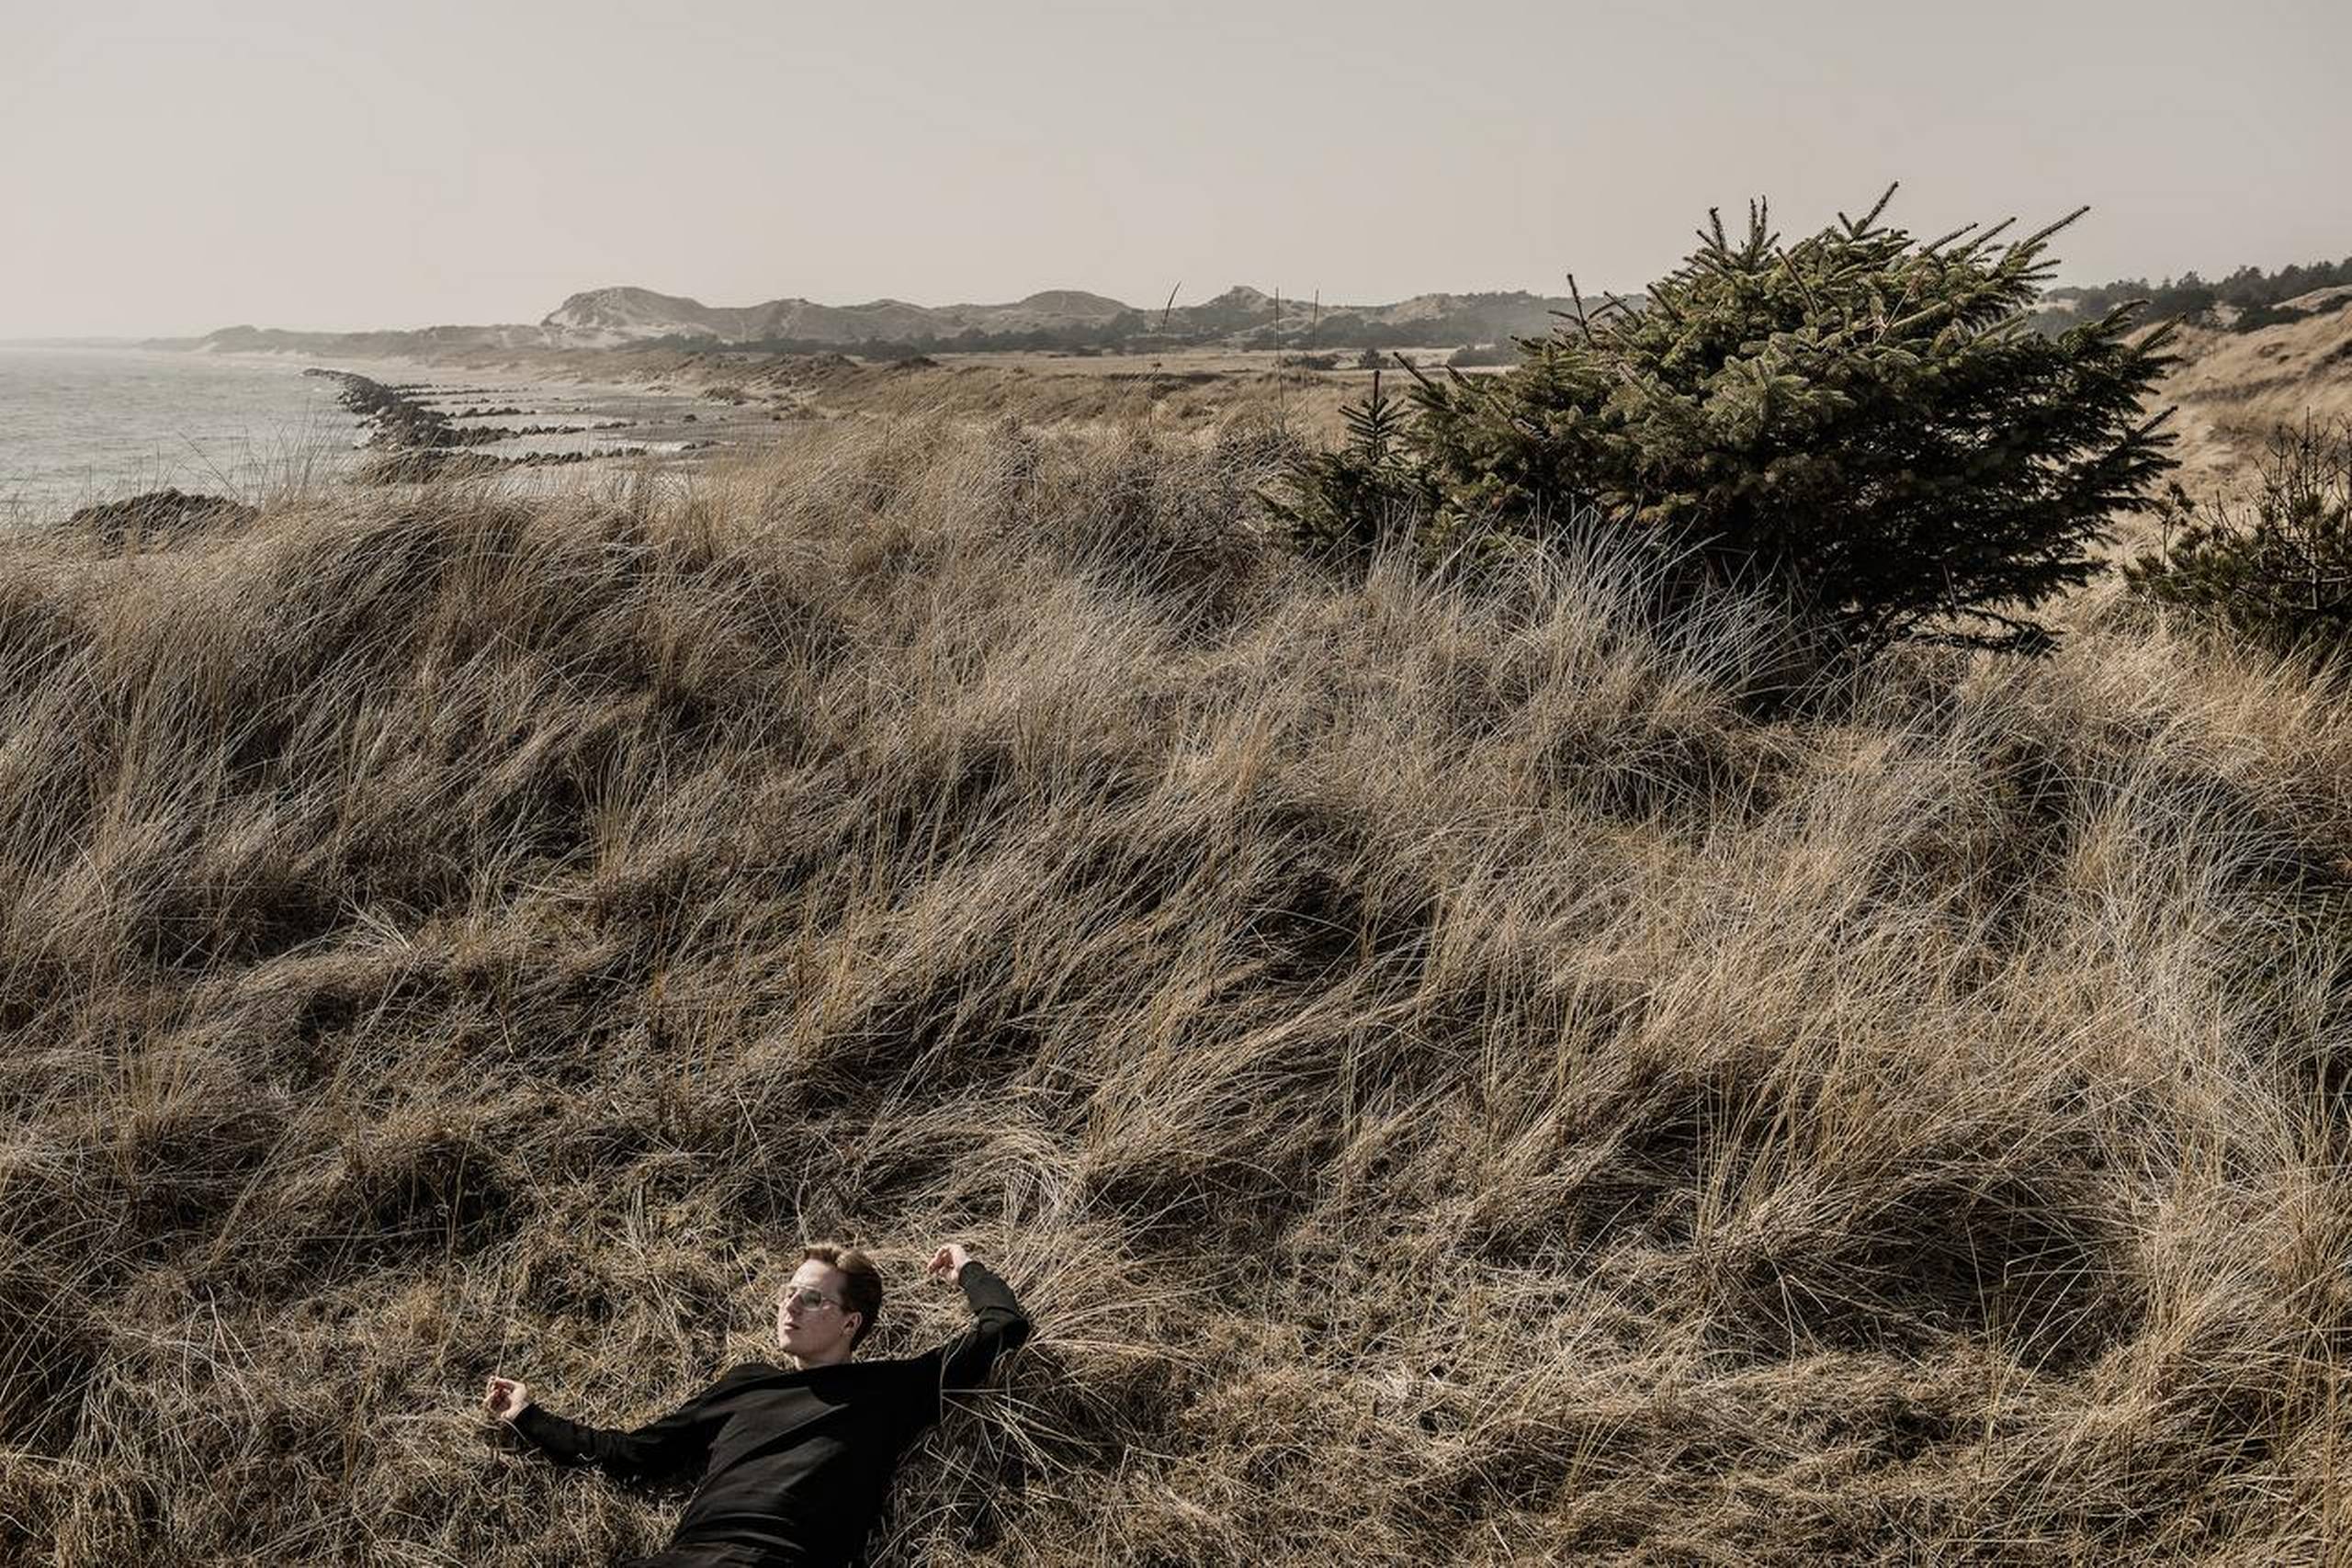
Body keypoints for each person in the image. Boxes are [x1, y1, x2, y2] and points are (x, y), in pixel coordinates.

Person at [484, 1240, 1032, 1568]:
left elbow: (1001, 1327)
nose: (790, 1304)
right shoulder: (746, 1384)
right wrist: (530, 1417)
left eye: (812, 1297)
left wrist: (966, 1268)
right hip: (685, 1557)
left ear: (850, 1322)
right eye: (789, 1291)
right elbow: (635, 1453)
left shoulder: (889, 1390)